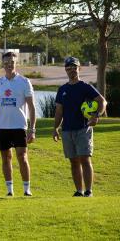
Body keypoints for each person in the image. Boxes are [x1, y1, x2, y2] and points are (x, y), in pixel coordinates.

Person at [0, 51, 36, 196]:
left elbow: (32, 107)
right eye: (6, 63)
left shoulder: (24, 82)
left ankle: (26, 189)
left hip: (19, 126)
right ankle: (10, 190)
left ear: (16, 63)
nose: (9, 65)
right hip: (2, 126)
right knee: (6, 158)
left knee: (22, 157)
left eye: (12, 62)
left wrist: (32, 129)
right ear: (2, 64)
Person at [53, 57, 106, 197]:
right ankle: (79, 191)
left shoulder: (85, 87)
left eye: (74, 68)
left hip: (83, 128)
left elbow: (102, 101)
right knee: (73, 161)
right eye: (68, 68)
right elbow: (59, 111)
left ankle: (89, 191)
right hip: (67, 130)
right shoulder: (62, 89)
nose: (71, 71)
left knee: (85, 159)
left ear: (79, 68)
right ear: (65, 70)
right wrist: (55, 128)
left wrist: (96, 116)